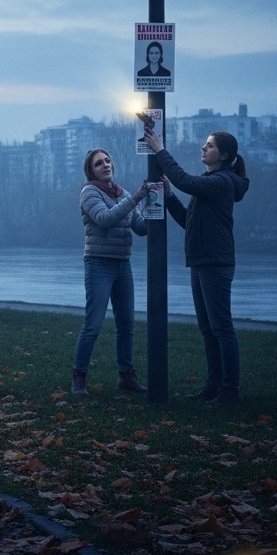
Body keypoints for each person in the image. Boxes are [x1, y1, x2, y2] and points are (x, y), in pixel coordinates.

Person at [143, 127, 250, 404]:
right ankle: (213, 387)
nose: (203, 148)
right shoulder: (210, 182)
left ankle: (230, 390)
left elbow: (184, 180)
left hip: (216, 262)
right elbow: (186, 219)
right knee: (207, 328)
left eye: (210, 146)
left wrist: (159, 149)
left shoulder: (223, 181)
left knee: (222, 327)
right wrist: (168, 197)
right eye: (205, 144)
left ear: (223, 155)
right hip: (202, 262)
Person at [71, 149, 157, 396]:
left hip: (123, 263)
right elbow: (105, 218)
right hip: (98, 263)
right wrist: (137, 198)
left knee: (126, 323)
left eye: (108, 160)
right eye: (99, 163)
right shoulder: (89, 192)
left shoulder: (123, 193)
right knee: (93, 323)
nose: (105, 165)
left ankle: (126, 376)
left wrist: (156, 204)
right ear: (92, 171)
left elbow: (140, 227)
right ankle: (79, 377)